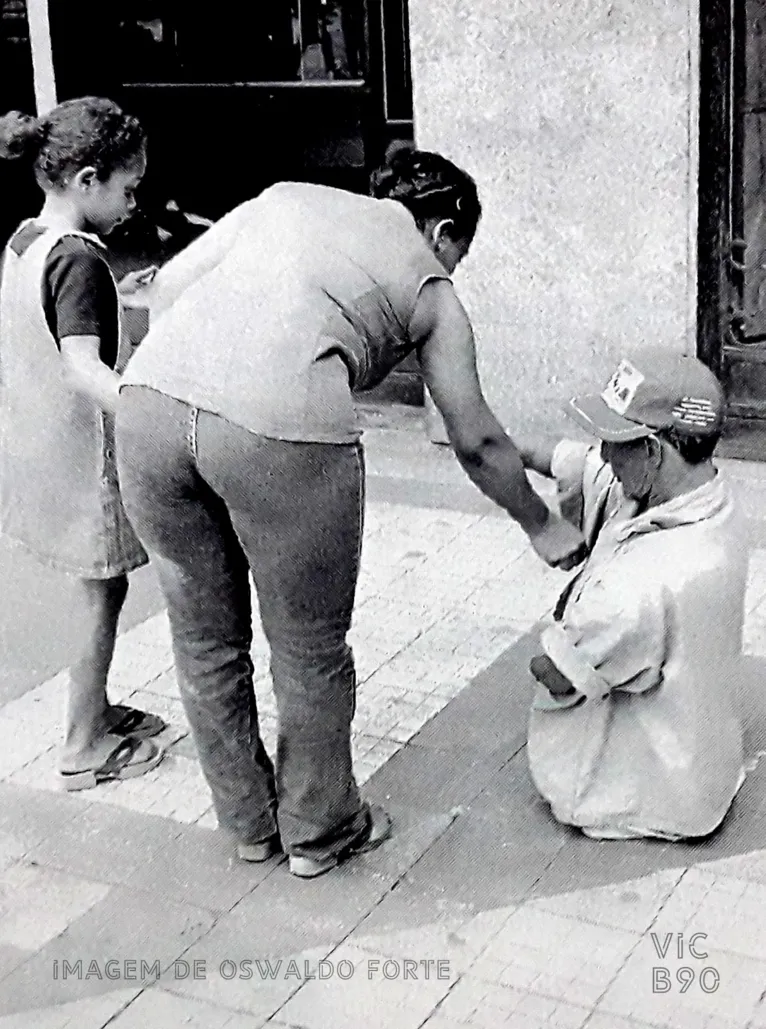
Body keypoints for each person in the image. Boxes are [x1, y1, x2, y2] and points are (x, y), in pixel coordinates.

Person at [115, 147, 586, 878]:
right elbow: (477, 437)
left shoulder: (283, 196)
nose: (455, 268)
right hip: (280, 425)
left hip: (145, 408)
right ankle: (320, 830)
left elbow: (167, 284)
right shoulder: (431, 286)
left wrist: (205, 376)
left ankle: (248, 824)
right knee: (308, 647)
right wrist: (541, 523)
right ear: (444, 229)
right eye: (461, 252)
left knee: (205, 639)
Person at [0, 97, 166, 790]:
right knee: (102, 590)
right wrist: (152, 409)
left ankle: (92, 707)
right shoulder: (78, 260)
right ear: (87, 179)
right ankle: (82, 743)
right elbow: (81, 366)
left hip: (39, 452)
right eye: (128, 187)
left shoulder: (27, 238)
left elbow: (48, 323)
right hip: (83, 458)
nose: (134, 202)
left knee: (94, 586)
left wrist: (113, 295)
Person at [517, 352, 747, 841]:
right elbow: (569, 460)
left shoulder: (634, 589)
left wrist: (558, 634)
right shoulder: (713, 502)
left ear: (654, 451)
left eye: (614, 441)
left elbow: (558, 675)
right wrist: (493, 444)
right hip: (707, 766)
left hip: (652, 797)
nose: (602, 453)